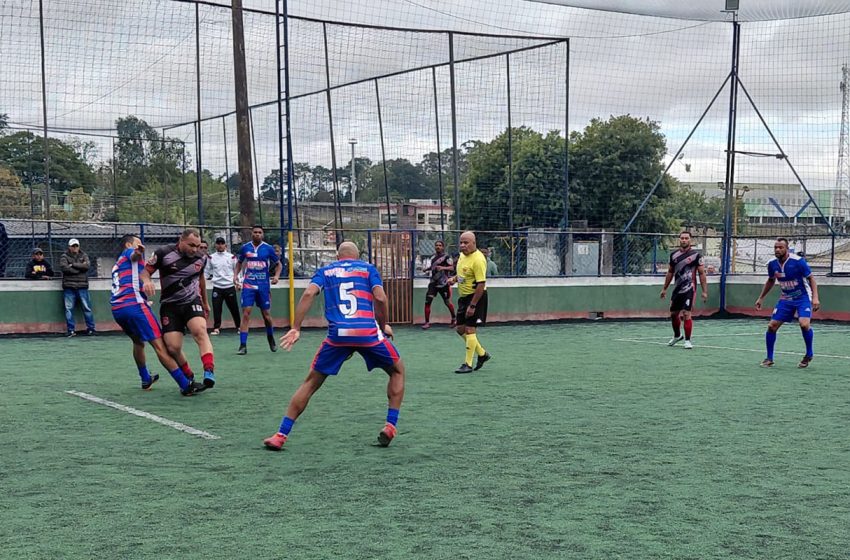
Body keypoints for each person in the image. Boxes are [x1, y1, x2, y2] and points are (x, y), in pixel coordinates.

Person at [263, 241, 405, 451]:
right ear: (357, 257)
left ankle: (280, 435)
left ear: (338, 257)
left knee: (311, 383)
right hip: (367, 333)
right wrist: (383, 326)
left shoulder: (325, 271)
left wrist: (296, 327)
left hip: (338, 335)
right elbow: (380, 297)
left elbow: (308, 294)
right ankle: (390, 426)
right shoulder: (368, 269)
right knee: (397, 371)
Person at [111, 234, 205, 395]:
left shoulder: (118, 263)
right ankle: (185, 385)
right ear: (128, 245)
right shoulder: (130, 253)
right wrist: (137, 252)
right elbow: (134, 255)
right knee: (160, 346)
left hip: (118, 308)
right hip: (134, 306)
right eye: (137, 243)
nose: (140, 245)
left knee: (138, 342)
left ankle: (145, 378)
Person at [142, 228, 216, 390]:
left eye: (198, 246)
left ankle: (209, 371)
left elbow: (201, 279)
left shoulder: (201, 258)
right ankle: (189, 375)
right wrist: (147, 281)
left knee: (200, 331)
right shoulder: (163, 253)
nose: (195, 249)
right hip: (170, 306)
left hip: (192, 301)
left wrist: (205, 302)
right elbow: (145, 272)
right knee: (172, 347)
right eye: (191, 245)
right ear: (181, 240)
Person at [755, 238, 820, 368]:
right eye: (776, 247)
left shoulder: (798, 262)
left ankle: (809, 354)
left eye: (781, 247)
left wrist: (815, 298)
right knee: (772, 326)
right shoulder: (772, 264)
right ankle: (769, 358)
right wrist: (761, 298)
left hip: (802, 297)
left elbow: (811, 278)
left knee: (804, 324)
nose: (777, 250)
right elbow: (771, 280)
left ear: (787, 249)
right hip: (786, 298)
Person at [448, 231, 492, 374]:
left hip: (476, 298)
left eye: (466, 243)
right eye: (461, 242)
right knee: (460, 329)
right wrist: (454, 279)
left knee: (470, 329)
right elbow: (464, 273)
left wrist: (472, 305)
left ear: (474, 243)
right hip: (464, 297)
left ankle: (467, 364)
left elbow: (481, 284)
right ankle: (482, 354)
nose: (462, 245)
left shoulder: (478, 260)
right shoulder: (462, 256)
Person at [234, 225, 281, 354]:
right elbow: (239, 263)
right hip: (248, 284)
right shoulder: (245, 247)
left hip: (263, 285)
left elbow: (278, 264)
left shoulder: (268, 248)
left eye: (260, 232)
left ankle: (271, 338)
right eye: (255, 232)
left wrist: (276, 276)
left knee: (266, 315)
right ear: (251, 234)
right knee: (246, 313)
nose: (257, 234)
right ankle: (243, 345)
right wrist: (235, 276)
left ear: (263, 234)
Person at [659, 231, 708, 350]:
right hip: (677, 289)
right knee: (673, 314)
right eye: (682, 238)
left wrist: (704, 291)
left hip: (690, 288)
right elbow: (670, 272)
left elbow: (702, 273)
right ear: (679, 239)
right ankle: (677, 336)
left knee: (686, 313)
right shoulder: (674, 255)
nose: (684, 240)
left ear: (690, 240)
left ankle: (687, 340)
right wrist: (664, 289)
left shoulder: (696, 256)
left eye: (686, 238)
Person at [60, 238, 96, 337]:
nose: (75, 248)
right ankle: (71, 330)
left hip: (82, 286)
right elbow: (65, 269)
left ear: (79, 246)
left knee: (87, 308)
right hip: (69, 287)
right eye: (73, 246)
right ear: (69, 247)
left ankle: (91, 329)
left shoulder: (84, 255)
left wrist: (73, 265)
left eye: (76, 246)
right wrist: (80, 268)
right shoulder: (64, 256)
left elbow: (87, 266)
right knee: (69, 309)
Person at [206, 237, 240, 335]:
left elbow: (237, 270)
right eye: (218, 243)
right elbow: (207, 271)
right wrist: (202, 280)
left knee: (234, 308)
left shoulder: (232, 257)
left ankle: (239, 327)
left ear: (225, 245)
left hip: (229, 286)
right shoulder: (211, 257)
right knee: (216, 308)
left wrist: (238, 283)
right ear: (215, 245)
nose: (220, 245)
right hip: (217, 287)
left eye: (222, 243)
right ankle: (216, 328)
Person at [421, 240, 456, 329]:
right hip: (433, 283)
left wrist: (443, 268)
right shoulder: (433, 257)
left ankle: (454, 319)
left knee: (447, 302)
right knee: (427, 302)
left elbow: (452, 268)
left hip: (443, 283)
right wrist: (427, 269)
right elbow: (433, 267)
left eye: (440, 245)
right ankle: (427, 322)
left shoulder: (446, 257)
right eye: (436, 245)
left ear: (443, 247)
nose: (438, 247)